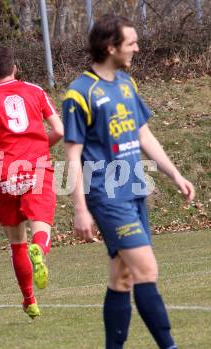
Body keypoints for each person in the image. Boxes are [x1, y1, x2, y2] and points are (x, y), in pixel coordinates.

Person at [62, 15, 195, 349]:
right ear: (111, 47)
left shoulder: (125, 83)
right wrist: (80, 208)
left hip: (133, 190)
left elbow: (142, 133)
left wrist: (174, 173)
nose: (137, 47)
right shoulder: (79, 94)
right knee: (146, 270)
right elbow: (72, 156)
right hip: (107, 197)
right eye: (131, 42)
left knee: (121, 278)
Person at [0, 47, 64, 318]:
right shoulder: (36, 91)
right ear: (15, 67)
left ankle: (29, 300)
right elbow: (59, 130)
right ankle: (41, 248)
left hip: (3, 171)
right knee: (41, 226)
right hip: (35, 167)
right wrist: (39, 147)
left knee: (16, 242)